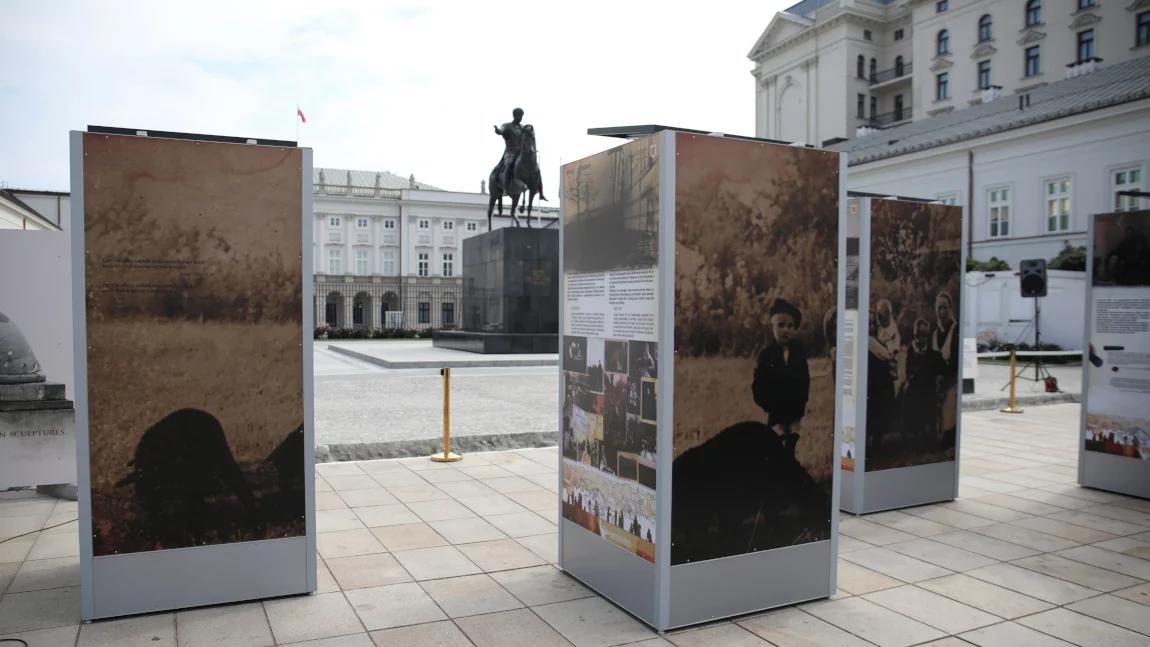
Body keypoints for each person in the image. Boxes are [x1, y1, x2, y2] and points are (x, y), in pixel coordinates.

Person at [752, 299, 810, 456]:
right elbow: (759, 383)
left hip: (795, 404)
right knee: (777, 436)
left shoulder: (798, 351)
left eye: (790, 326)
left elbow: (805, 378)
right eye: (781, 325)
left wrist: (802, 398)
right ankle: (779, 462)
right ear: (772, 326)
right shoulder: (766, 354)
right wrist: (766, 402)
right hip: (776, 406)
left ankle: (790, 456)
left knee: (793, 435)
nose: (786, 330)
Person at [932, 291, 959, 442]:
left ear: (950, 309)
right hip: (938, 381)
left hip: (951, 381)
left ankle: (948, 436)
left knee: (949, 404)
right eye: (939, 308)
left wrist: (945, 382)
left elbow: (954, 362)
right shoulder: (935, 333)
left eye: (945, 308)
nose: (942, 312)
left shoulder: (955, 330)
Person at [493, 108, 525, 192]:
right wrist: (497, 131)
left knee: (532, 165)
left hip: (521, 154)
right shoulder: (507, 126)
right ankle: (505, 188)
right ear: (514, 116)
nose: (520, 118)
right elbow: (500, 130)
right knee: (509, 164)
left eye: (521, 116)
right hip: (510, 152)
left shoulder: (523, 127)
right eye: (519, 116)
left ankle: (537, 190)